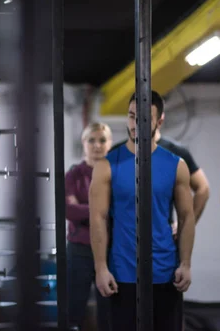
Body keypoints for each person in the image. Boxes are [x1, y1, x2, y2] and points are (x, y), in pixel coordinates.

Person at [89, 90, 196, 331]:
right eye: (131, 116)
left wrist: (186, 263)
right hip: (122, 273)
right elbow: (98, 218)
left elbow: (187, 216)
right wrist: (101, 268)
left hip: (166, 272)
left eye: (144, 118)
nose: (136, 124)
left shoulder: (176, 165)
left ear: (160, 121)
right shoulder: (107, 165)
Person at [110, 114, 210, 237]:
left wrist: (186, 225)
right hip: (123, 236)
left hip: (162, 236)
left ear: (160, 119)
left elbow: (203, 188)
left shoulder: (176, 152)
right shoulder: (116, 151)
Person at [65, 123, 112, 331]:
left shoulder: (115, 174)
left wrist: (85, 209)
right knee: (73, 309)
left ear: (109, 143)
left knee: (109, 310)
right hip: (79, 250)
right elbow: (69, 211)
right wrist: (102, 209)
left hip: (111, 250)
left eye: (102, 140)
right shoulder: (74, 175)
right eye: (91, 140)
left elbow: (120, 211)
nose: (97, 145)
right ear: (83, 143)